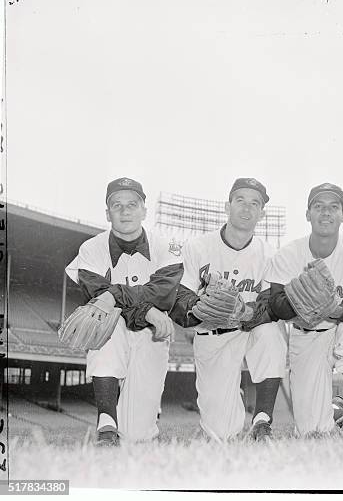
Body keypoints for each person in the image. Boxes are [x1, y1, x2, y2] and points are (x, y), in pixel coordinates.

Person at [65, 177, 184, 445]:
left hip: (151, 336)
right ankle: (106, 421)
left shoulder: (167, 246)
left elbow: (163, 295)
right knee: (102, 316)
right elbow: (98, 296)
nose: (125, 210)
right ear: (107, 213)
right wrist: (147, 311)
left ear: (144, 210)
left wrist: (117, 294)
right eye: (116, 205)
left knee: (136, 436)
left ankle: (138, 422)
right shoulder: (91, 248)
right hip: (116, 328)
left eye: (132, 204)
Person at [169, 178, 287, 441]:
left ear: (262, 214)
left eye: (254, 203)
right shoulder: (198, 247)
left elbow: (272, 303)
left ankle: (262, 420)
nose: (247, 208)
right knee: (220, 434)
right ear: (228, 206)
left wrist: (248, 313)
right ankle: (231, 397)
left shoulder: (270, 255)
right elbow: (178, 297)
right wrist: (198, 309)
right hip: (213, 334)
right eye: (240, 200)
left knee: (271, 335)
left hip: (249, 329)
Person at [266, 183, 343, 436]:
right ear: (307, 214)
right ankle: (336, 409)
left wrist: (330, 309)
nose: (326, 212)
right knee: (311, 430)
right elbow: (276, 303)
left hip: (340, 325)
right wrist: (305, 306)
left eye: (334, 207)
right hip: (306, 332)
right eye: (319, 206)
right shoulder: (289, 253)